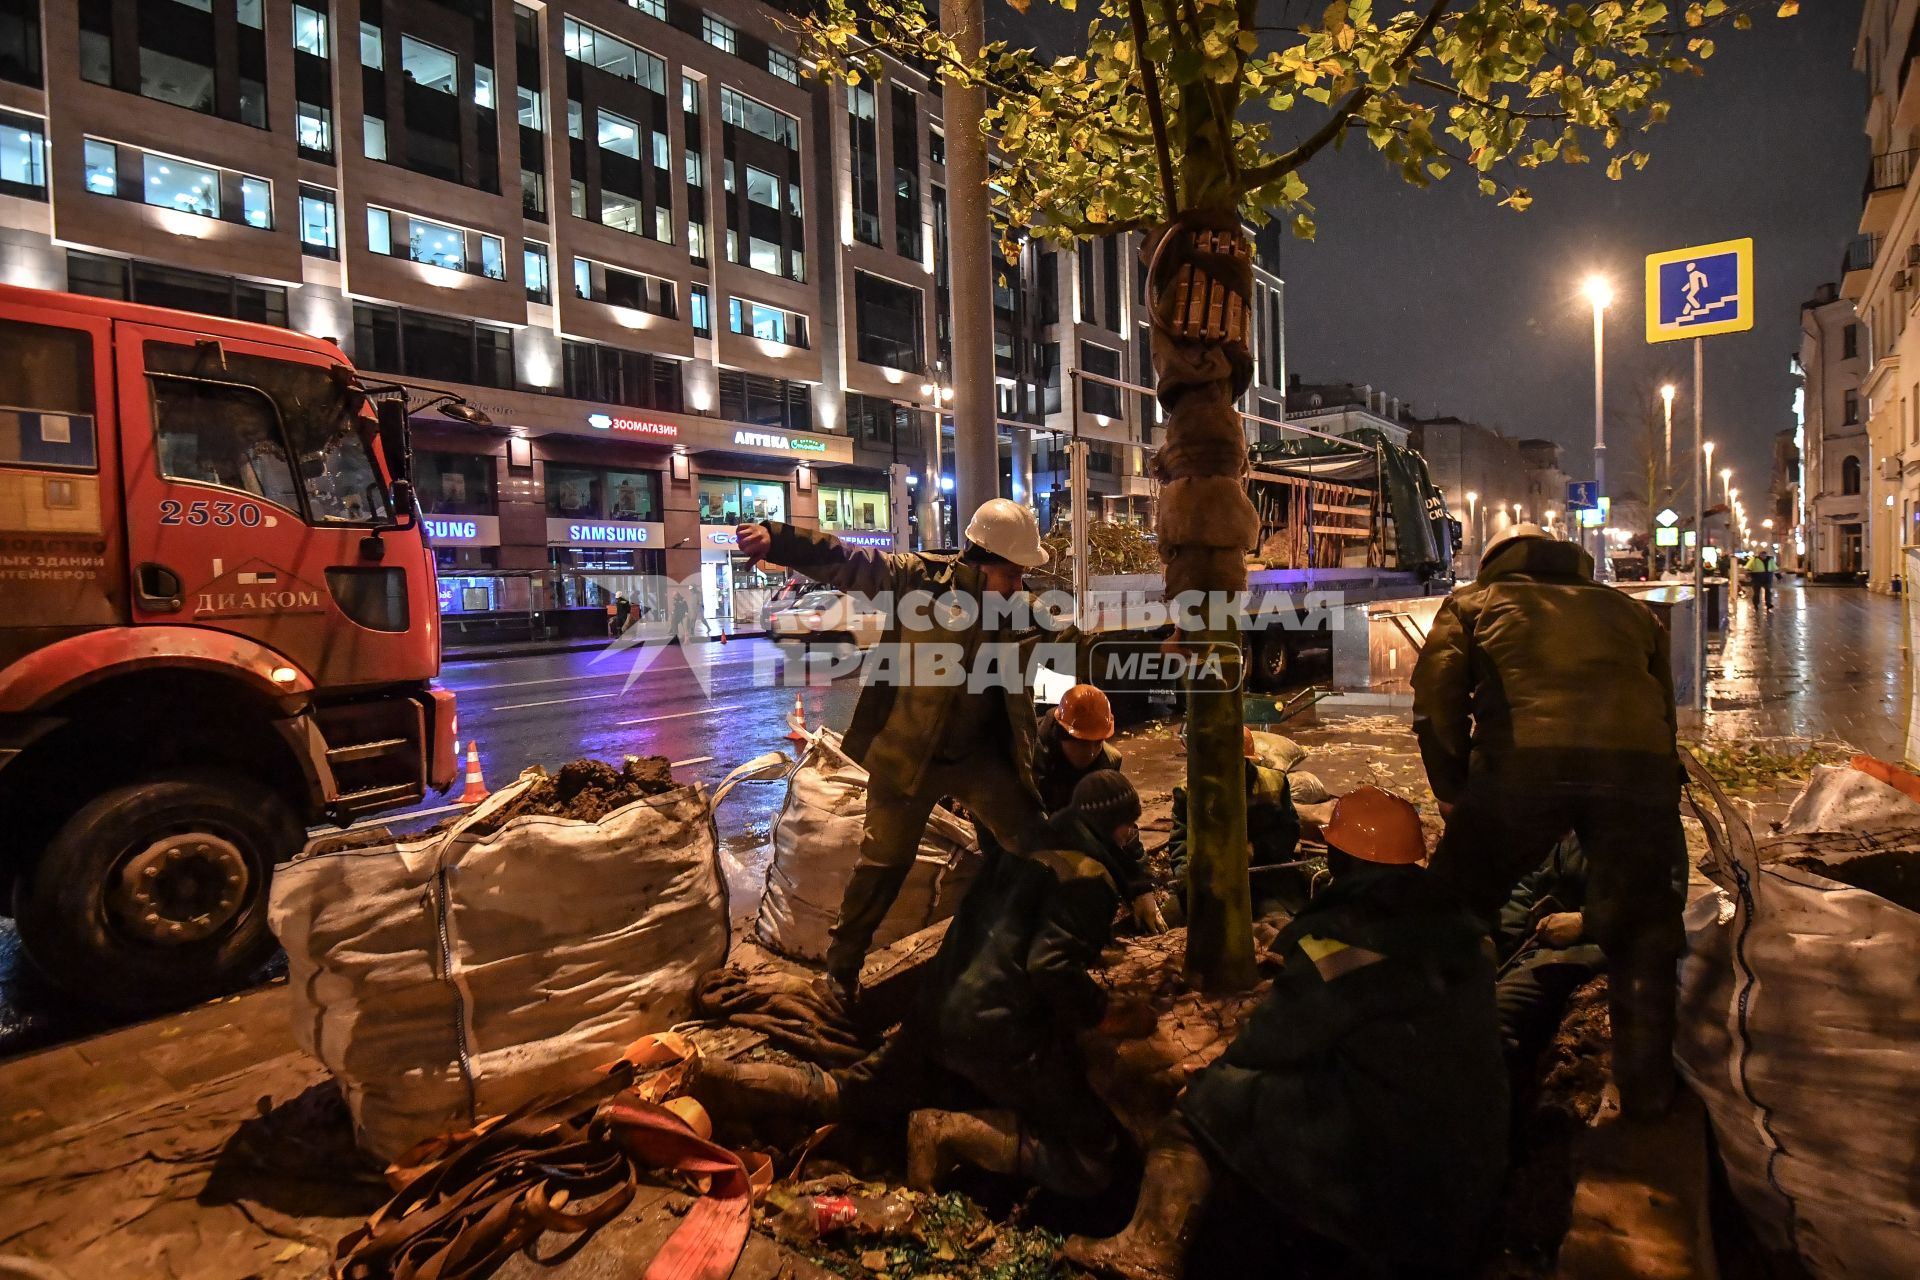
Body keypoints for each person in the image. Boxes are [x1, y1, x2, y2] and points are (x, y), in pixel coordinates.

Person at [1064, 787, 1509, 1280]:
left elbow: (1276, 1040)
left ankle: (1147, 1252)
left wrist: (1216, 1071)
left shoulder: (1340, 938)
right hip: (1474, 1172)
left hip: (1399, 1189)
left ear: (1339, 858)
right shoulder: (1460, 928)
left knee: (1205, 1105)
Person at [688, 772, 1149, 1200]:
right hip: (998, 1035)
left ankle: (725, 1079)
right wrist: (1102, 1011)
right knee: (1094, 1151)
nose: (1133, 839)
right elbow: (1050, 968)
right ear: (1116, 826)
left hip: (933, 1007)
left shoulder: (1023, 841)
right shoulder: (1089, 877)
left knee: (846, 1091)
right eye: (1131, 828)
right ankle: (944, 1133)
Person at [1411, 521, 1687, 1118]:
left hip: (1521, 768)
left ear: (1493, 562)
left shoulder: (1473, 604)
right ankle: (1647, 1096)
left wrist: (1455, 791)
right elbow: (1665, 711)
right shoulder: (1628, 610)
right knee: (1644, 929)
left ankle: (1443, 1058)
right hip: (1638, 774)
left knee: (1449, 911)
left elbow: (1436, 709)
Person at [736, 499, 1054, 1001]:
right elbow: (846, 559)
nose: (1019, 584)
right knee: (882, 867)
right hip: (906, 759)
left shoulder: (1020, 607)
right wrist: (779, 539)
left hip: (978, 759)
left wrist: (1165, 641)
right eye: (1012, 573)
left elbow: (1080, 640)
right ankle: (841, 972)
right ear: (982, 559)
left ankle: (1003, 934)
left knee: (1029, 839)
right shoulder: (915, 581)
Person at [1030, 684, 1163, 933]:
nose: (1091, 752)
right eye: (1082, 744)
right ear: (1062, 735)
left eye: (1098, 742)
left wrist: (1140, 887)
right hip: (1030, 842)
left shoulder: (1107, 761)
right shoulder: (1031, 757)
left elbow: (1119, 826)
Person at [1166, 727, 1304, 917]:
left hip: (1263, 876)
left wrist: (1255, 849)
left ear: (1246, 760)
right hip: (1210, 878)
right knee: (1172, 915)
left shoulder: (1274, 782)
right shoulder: (1189, 790)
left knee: (1275, 919)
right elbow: (1181, 842)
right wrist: (1188, 881)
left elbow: (1289, 831)